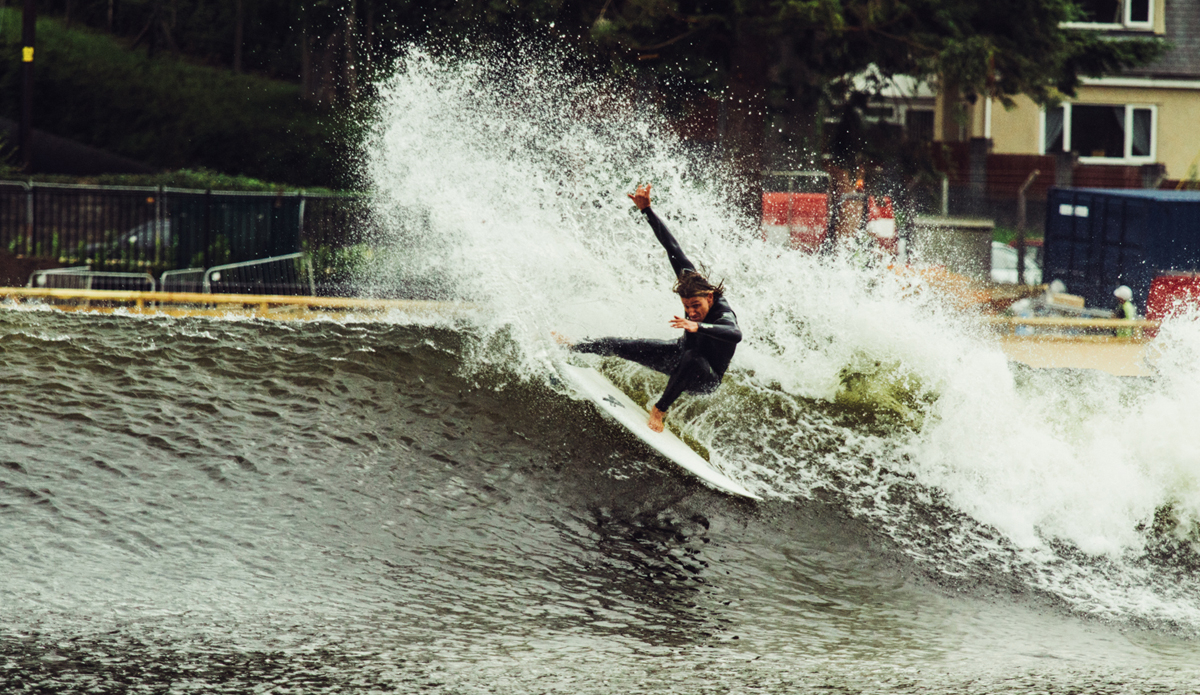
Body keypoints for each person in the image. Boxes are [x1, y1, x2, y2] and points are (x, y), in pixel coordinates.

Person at [571, 183, 742, 433]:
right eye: (687, 307)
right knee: (623, 345)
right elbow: (672, 247)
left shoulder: (724, 313)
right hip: (678, 354)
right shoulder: (690, 282)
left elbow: (735, 334)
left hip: (705, 378)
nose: (691, 311)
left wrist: (698, 325)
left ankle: (659, 409)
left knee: (693, 358)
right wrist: (647, 211)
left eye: (697, 306)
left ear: (710, 297)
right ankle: (572, 347)